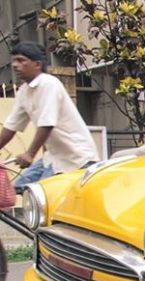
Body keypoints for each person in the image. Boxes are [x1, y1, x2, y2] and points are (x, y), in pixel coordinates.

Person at [0, 42, 97, 193]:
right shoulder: (24, 92)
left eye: (21, 60)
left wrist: (29, 154)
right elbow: (11, 126)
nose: (15, 65)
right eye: (13, 61)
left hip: (77, 158)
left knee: (42, 194)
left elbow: (47, 124)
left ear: (37, 64)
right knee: (14, 190)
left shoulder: (49, 84)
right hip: (52, 158)